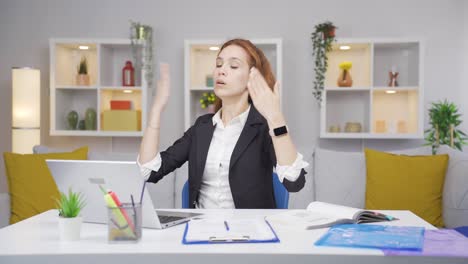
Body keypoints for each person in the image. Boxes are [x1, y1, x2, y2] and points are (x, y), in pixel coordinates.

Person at [138, 38, 308, 209]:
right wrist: (156, 111)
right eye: (219, 64)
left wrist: (276, 118)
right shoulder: (201, 127)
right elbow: (149, 172)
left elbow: (294, 181)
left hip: (250, 231)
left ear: (252, 78)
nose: (221, 71)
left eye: (233, 66)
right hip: (201, 229)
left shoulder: (264, 128)